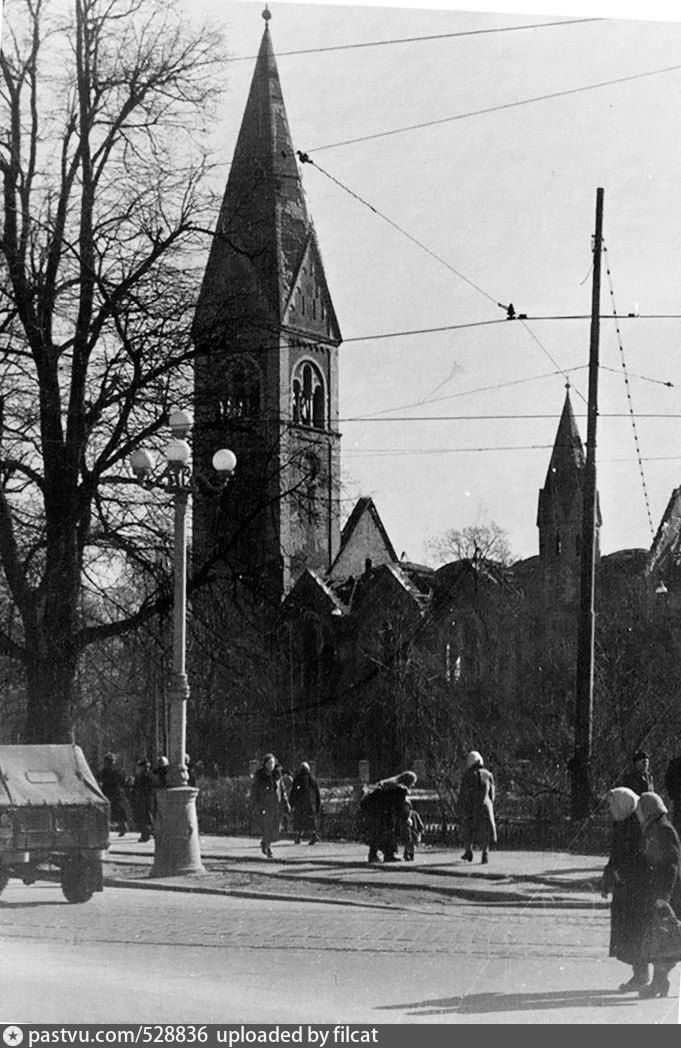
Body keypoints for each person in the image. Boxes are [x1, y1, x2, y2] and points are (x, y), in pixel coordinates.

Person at [600, 787, 651, 991]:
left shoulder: (636, 825)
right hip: (625, 889)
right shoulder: (622, 823)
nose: (610, 809)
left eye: (613, 804)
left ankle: (641, 976)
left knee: (634, 933)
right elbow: (615, 855)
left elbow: (638, 858)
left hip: (635, 890)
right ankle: (640, 974)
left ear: (623, 804)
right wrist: (609, 877)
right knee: (628, 933)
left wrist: (621, 874)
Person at [636, 791, 681, 998]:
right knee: (661, 939)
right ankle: (659, 983)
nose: (639, 815)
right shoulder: (654, 828)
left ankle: (658, 983)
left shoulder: (663, 830)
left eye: (641, 811)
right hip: (661, 892)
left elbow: (671, 864)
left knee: (665, 938)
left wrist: (664, 896)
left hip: (667, 894)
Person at [360, 771, 416, 864]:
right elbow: (399, 806)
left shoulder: (391, 784)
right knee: (385, 830)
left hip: (372, 807)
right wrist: (406, 819)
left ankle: (379, 855)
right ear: (408, 782)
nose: (413, 785)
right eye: (413, 783)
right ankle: (386, 855)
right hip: (379, 809)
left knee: (379, 831)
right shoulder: (401, 788)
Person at [458, 751, 496, 864]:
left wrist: (461, 806)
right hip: (485, 806)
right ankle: (485, 854)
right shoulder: (488, 775)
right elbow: (492, 794)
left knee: (468, 829)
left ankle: (468, 852)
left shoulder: (467, 775)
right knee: (485, 830)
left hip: (471, 806)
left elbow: (463, 793)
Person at [250, 753, 290, 858]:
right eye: (269, 763)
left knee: (276, 828)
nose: (271, 765)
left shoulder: (277, 775)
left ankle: (266, 843)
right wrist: (255, 804)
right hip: (265, 805)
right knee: (267, 826)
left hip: (276, 805)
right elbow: (255, 791)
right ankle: (267, 846)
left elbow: (282, 790)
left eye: (272, 763)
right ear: (265, 764)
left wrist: (286, 803)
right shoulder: (260, 776)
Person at [97, 753, 131, 836]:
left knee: (119, 810)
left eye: (111, 761)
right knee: (106, 811)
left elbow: (122, 781)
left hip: (115, 792)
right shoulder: (103, 772)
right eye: (108, 761)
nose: (109, 764)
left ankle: (122, 826)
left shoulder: (117, 771)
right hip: (107, 792)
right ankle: (106, 828)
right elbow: (98, 778)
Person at [289, 761, 322, 844]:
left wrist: (291, 803)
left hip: (300, 803)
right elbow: (317, 793)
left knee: (300, 820)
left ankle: (299, 836)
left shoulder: (297, 778)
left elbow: (294, 791)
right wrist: (318, 805)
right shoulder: (312, 778)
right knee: (310, 820)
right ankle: (313, 835)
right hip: (310, 803)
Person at [131, 758, 155, 843]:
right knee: (145, 816)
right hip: (143, 798)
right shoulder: (143, 776)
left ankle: (146, 834)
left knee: (145, 816)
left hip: (145, 798)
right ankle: (147, 833)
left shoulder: (146, 777)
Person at [664, 752, 681, 835]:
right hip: (679, 800)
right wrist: (673, 794)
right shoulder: (675, 763)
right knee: (678, 825)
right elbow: (668, 780)